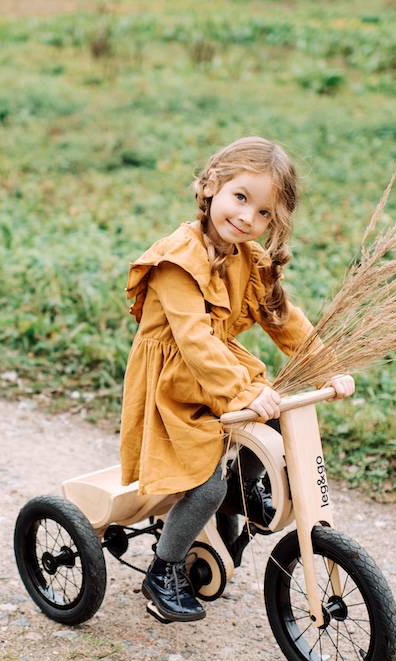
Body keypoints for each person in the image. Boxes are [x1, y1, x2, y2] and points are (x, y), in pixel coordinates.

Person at [119, 136, 354, 623]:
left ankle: (242, 498)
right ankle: (163, 571)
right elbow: (195, 342)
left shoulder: (249, 259)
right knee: (205, 487)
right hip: (176, 385)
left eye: (265, 213)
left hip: (217, 373)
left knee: (268, 432)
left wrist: (326, 366)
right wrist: (244, 391)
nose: (248, 218)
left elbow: (283, 318)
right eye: (240, 197)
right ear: (210, 186)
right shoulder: (177, 261)